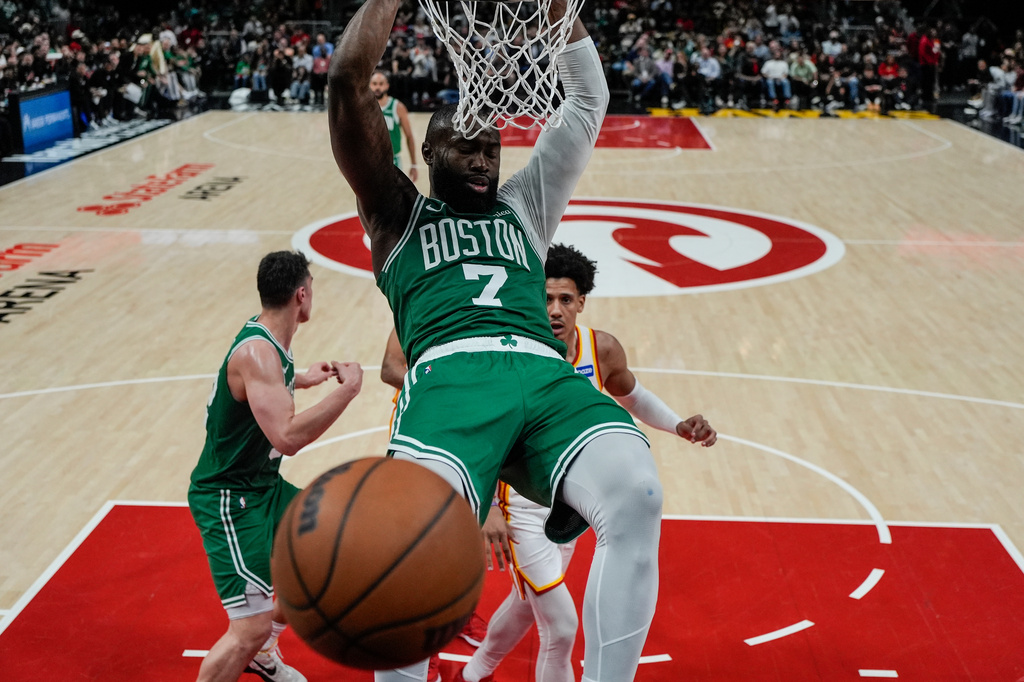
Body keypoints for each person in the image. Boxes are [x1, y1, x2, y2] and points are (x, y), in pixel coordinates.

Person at [328, 1, 715, 679]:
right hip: (450, 381)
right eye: (466, 149)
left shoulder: (525, 206)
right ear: (431, 152)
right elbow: (345, 84)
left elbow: (588, 101)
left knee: (638, 492)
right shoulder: (397, 213)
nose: (482, 161)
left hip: (543, 375)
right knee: (412, 541)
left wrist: (559, 12)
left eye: (491, 149)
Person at [381, 244, 717, 682]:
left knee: (527, 607)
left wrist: (677, 424)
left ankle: (473, 674)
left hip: (567, 502)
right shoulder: (500, 348)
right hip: (517, 509)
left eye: (565, 299)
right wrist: (489, 508)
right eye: (545, 298)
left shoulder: (600, 347)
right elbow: (481, 428)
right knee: (561, 626)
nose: (555, 310)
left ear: (581, 302)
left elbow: (632, 396)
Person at [188, 251, 363, 682]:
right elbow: (287, 438)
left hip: (263, 484)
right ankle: (257, 644)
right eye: (312, 289)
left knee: (327, 545)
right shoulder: (258, 354)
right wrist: (346, 391)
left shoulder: (270, 338)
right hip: (231, 497)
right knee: (248, 629)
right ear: (301, 294)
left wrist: (303, 378)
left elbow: (264, 383)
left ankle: (265, 652)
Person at [371, 69, 419, 182]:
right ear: (370, 85)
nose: (377, 87)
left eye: (381, 84)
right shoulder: (365, 107)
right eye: (374, 84)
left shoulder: (397, 107)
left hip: (393, 161)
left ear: (387, 86)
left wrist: (414, 164)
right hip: (370, 161)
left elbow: (409, 136)